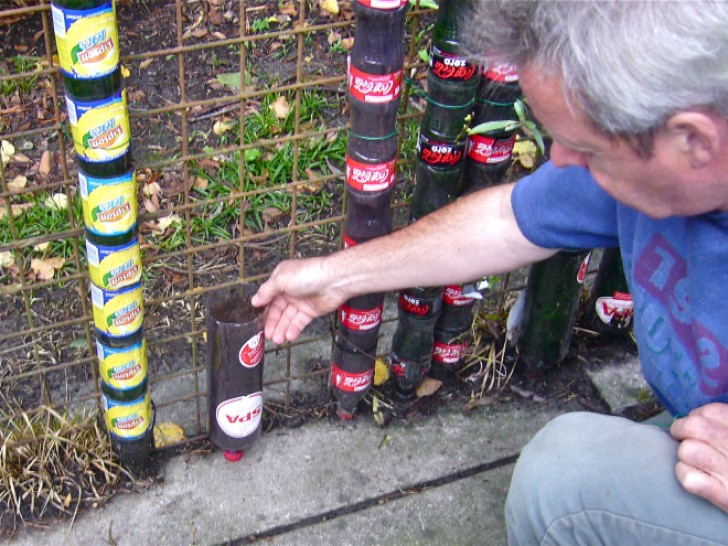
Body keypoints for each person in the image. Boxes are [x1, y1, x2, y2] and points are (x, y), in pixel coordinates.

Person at [252, 1, 728, 543]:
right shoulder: (654, 153)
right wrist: (335, 277)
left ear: (694, 141)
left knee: (564, 485)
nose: (561, 162)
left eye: (589, 148)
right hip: (702, 430)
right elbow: (506, 221)